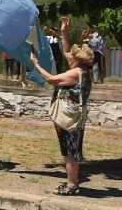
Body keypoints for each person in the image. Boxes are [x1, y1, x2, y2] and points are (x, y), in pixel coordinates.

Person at [29, 17, 94, 196]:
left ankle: (72, 185)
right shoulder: (84, 70)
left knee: (70, 152)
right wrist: (64, 32)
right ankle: (71, 183)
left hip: (70, 116)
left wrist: (36, 65)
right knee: (70, 149)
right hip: (74, 115)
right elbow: (66, 50)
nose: (67, 56)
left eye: (71, 56)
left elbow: (51, 79)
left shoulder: (75, 73)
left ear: (76, 60)